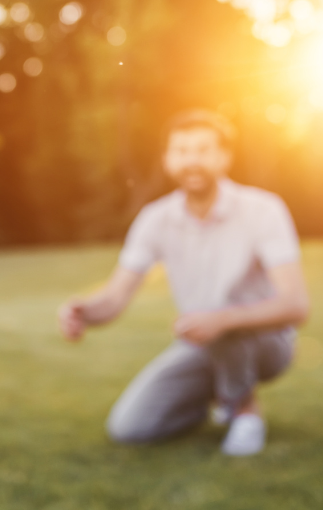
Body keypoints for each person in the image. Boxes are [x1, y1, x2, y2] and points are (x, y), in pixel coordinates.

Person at [58, 109, 310, 456]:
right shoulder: (155, 220)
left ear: (225, 157)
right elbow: (115, 298)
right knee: (130, 428)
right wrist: (85, 311)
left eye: (203, 150)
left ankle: (244, 410)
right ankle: (215, 396)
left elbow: (296, 306)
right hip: (201, 344)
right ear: (166, 160)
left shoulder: (263, 210)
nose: (192, 160)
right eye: (181, 151)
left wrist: (221, 319)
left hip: (267, 345)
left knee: (225, 320)